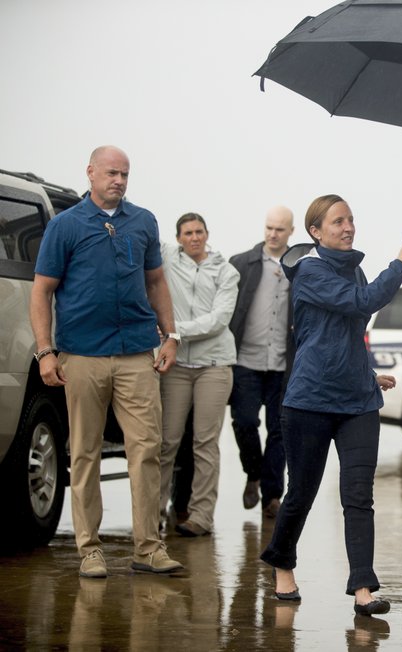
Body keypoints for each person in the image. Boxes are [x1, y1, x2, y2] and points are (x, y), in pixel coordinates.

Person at [260, 194, 402, 615]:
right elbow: (360, 303)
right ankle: (281, 561)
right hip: (309, 400)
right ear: (316, 232)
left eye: (351, 219)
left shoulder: (356, 269)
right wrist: (400, 265)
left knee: (358, 495)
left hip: (358, 401)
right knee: (302, 494)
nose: (348, 227)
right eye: (337, 222)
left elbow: (345, 331)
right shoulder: (309, 271)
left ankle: (363, 589)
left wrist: (364, 373)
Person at [29, 145, 184, 577]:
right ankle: (90, 549)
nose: (119, 180)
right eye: (112, 173)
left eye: (125, 175)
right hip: (81, 355)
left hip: (137, 352)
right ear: (91, 173)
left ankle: (148, 548)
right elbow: (41, 291)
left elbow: (156, 282)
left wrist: (171, 336)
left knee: (146, 449)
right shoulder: (65, 226)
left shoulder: (143, 221)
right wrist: (45, 351)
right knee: (84, 453)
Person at [157, 213, 240, 537]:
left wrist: (173, 332)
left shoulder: (226, 272)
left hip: (214, 365)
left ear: (207, 234)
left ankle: (201, 516)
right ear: (178, 238)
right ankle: (152, 515)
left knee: (205, 443)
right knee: (166, 442)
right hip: (175, 366)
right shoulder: (166, 258)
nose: (194, 237)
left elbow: (219, 319)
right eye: (188, 233)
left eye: (199, 232)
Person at [228, 206, 295, 519]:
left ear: (291, 232)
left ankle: (272, 496)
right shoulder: (241, 263)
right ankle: (253, 473)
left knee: (279, 430)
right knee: (244, 422)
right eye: (269, 227)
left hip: (283, 365)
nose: (272, 234)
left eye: (280, 229)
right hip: (246, 360)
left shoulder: (300, 268)